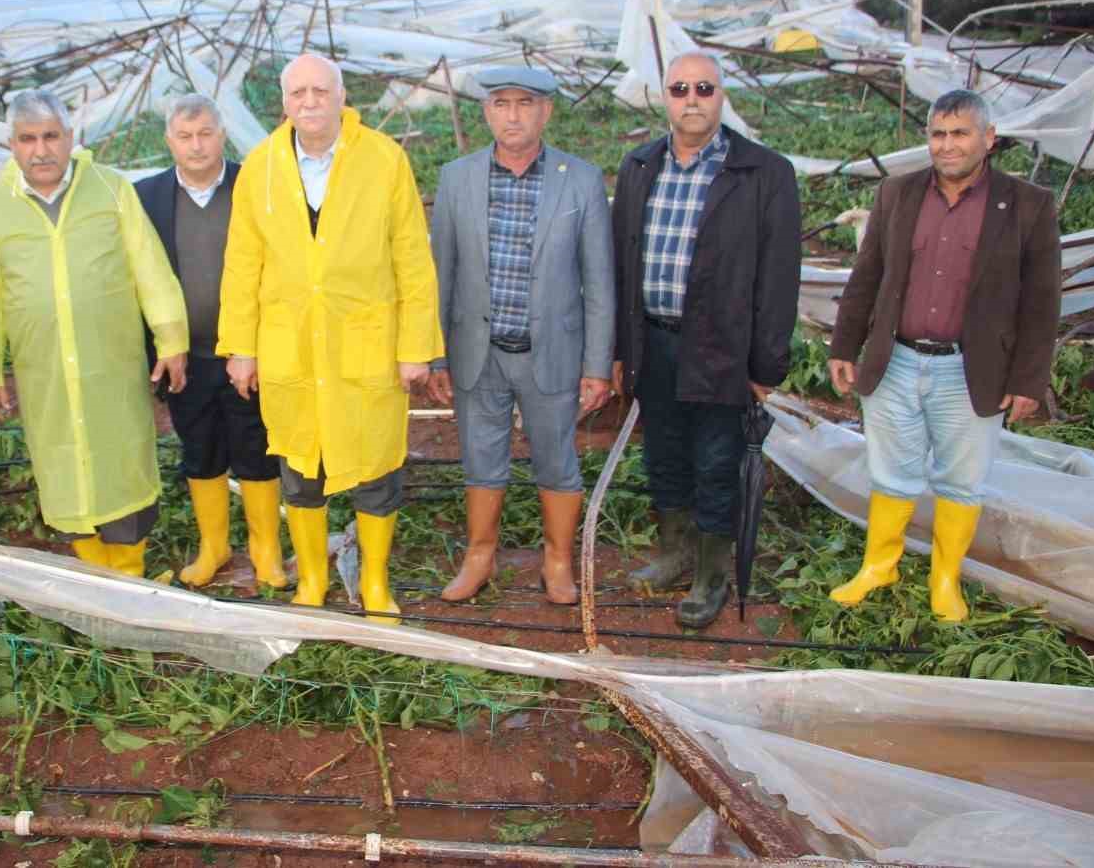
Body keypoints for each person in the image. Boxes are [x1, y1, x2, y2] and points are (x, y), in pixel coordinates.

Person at [216, 53, 442, 624]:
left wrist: (415, 347)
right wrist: (241, 346)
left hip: (364, 343)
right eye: (298, 93)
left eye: (321, 91)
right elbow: (242, 264)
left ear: (343, 97)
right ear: (284, 102)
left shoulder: (384, 160)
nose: (310, 102)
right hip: (290, 345)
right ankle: (313, 579)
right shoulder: (261, 167)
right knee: (299, 465)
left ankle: (374, 581)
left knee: (375, 466)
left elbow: (412, 259)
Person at [827, 89, 1061, 622]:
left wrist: (1028, 379)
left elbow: (1042, 301)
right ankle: (879, 565)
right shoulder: (898, 194)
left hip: (969, 366)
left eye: (959, 133)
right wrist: (845, 343)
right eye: (937, 133)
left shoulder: (1027, 205)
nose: (947, 144)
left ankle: (945, 576)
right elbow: (867, 276)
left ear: (988, 139)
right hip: (898, 358)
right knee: (891, 470)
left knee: (961, 477)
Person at [612, 52, 801, 628]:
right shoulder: (640, 165)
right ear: (663, 98)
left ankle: (711, 575)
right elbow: (624, 264)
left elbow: (778, 275)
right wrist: (622, 349)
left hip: (722, 346)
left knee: (716, 461)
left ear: (721, 95)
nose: (691, 98)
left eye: (703, 87)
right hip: (654, 340)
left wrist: (766, 365)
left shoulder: (763, 173)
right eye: (679, 88)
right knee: (664, 453)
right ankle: (676, 551)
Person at [0, 89, 188, 577]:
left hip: (111, 362)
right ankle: (98, 575)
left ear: (71, 138)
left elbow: (150, 270)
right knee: (62, 466)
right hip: (44, 368)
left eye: (51, 136)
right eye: (28, 139)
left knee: (123, 459)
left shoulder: (111, 189)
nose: (41, 150)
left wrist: (171, 340)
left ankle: (130, 571)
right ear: (12, 145)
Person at [427, 66, 614, 604]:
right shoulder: (457, 177)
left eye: (525, 104)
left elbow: (599, 280)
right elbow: (441, 272)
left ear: (546, 112)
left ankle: (556, 561)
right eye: (502, 103)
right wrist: (437, 355)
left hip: (552, 351)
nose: (513, 115)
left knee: (556, 456)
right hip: (477, 350)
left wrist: (597, 365)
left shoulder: (578, 179)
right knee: (481, 455)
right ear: (486, 112)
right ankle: (479, 555)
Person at [135, 94, 284, 589]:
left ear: (222, 135)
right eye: (185, 136)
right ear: (169, 141)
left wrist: (261, 345)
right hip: (184, 355)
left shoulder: (253, 186)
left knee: (256, 445)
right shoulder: (148, 197)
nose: (196, 146)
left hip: (248, 352)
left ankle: (264, 550)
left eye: (205, 134)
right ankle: (214, 545)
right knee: (199, 448)